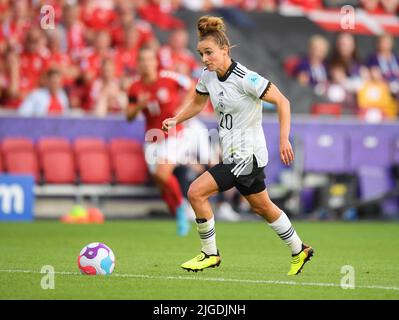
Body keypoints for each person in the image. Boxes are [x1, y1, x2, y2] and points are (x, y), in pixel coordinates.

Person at [162, 16, 314, 275]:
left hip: (247, 155)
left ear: (225, 50)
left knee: (196, 192)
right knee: (262, 206)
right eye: (201, 54)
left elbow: (283, 101)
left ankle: (210, 253)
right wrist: (177, 119)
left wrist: (283, 138)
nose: (204, 59)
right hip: (236, 154)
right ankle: (299, 249)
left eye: (209, 53)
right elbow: (199, 103)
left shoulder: (247, 79)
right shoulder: (208, 76)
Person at [126, 46, 195, 236]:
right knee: (159, 179)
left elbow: (191, 85)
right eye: (142, 60)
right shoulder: (135, 87)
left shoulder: (168, 77)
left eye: (150, 59)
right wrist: (140, 104)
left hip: (174, 132)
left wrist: (182, 107)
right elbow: (129, 115)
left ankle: (182, 209)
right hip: (152, 137)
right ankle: (178, 213)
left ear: (155, 62)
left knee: (162, 173)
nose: (146, 64)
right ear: (138, 64)